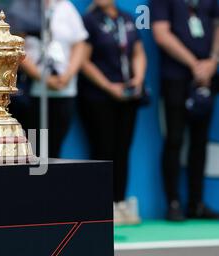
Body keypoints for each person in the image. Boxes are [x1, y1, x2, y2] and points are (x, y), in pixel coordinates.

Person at [78, 0, 147, 225]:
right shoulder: (90, 20)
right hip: (99, 97)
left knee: (122, 149)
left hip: (128, 97)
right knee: (103, 150)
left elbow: (138, 52)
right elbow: (84, 60)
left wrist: (137, 79)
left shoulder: (126, 19)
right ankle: (101, 206)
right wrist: (108, 86)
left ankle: (120, 201)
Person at [150, 0, 219, 221]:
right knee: (175, 139)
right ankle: (173, 203)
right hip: (175, 77)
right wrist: (194, 64)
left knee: (200, 142)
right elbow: (161, 34)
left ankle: (196, 203)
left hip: (207, 78)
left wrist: (213, 61)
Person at [20, 0, 88, 158]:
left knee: (54, 150)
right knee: (33, 150)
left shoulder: (66, 7)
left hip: (64, 90)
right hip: (33, 92)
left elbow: (80, 43)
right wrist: (41, 77)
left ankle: (52, 182)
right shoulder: (25, 7)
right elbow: (16, 46)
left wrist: (68, 74)